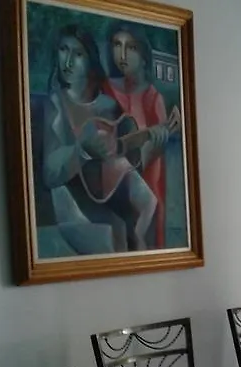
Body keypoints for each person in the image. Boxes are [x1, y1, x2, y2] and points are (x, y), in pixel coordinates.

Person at [40, 24, 157, 253]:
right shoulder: (55, 104)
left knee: (147, 203)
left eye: (78, 54)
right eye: (63, 50)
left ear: (90, 61)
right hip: (71, 195)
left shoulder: (107, 105)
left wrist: (138, 144)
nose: (68, 61)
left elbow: (120, 153)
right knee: (108, 240)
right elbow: (51, 173)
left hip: (104, 189)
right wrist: (82, 150)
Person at [104, 22, 171, 250]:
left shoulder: (153, 99)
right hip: (110, 192)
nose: (122, 54)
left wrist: (153, 145)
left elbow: (150, 162)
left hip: (147, 189)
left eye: (131, 47)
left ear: (144, 56)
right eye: (117, 45)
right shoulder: (105, 90)